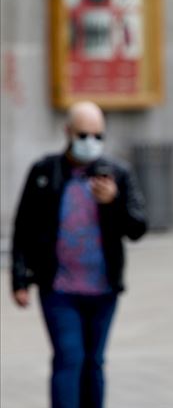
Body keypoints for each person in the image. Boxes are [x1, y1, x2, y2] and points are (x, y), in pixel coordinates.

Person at [11, 101, 148, 408]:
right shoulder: (45, 172)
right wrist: (20, 279)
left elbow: (138, 227)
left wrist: (113, 201)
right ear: (68, 132)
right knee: (69, 357)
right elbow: (24, 227)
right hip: (59, 287)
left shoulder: (117, 174)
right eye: (84, 135)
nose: (91, 143)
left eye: (98, 136)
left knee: (93, 362)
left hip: (102, 288)